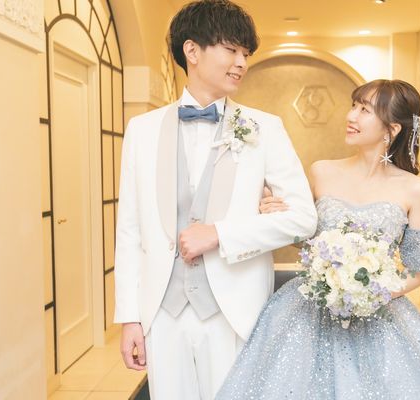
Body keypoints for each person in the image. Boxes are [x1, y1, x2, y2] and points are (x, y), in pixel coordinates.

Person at [216, 79, 420, 399]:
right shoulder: (321, 171)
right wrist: (278, 216)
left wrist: (372, 292)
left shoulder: (414, 189)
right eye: (354, 106)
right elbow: (303, 238)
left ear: (392, 129)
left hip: (378, 314)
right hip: (309, 310)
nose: (351, 116)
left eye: (364, 110)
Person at [113, 1, 317, 399]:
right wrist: (130, 317)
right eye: (231, 49)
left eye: (246, 53)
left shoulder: (265, 128)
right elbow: (130, 230)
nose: (242, 62)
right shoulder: (142, 130)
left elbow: (303, 219)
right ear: (192, 50)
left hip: (234, 308)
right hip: (161, 311)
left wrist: (220, 234)